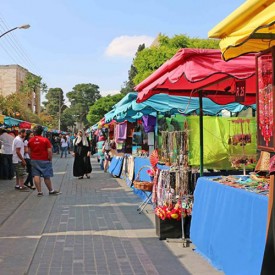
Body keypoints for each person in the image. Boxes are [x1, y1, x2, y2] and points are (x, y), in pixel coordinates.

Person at [28, 125, 61, 196]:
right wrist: (50, 159)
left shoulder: (31, 140)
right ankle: (51, 190)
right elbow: (49, 151)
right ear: (42, 132)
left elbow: (29, 151)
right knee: (46, 176)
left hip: (34, 160)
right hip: (45, 160)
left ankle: (39, 192)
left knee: (36, 175)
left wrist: (31, 157)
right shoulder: (45, 140)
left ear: (34, 132)